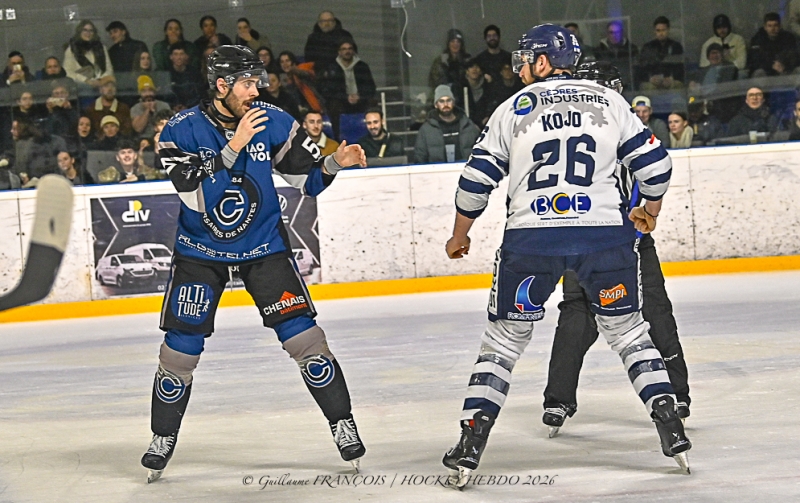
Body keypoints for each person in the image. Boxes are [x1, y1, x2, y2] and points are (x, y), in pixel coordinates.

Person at [441, 24, 691, 489]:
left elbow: (476, 181)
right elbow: (656, 167)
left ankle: (471, 441)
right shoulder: (609, 100)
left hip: (531, 240)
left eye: (525, 57)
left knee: (502, 344)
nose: (518, 66)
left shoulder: (513, 108)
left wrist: (460, 234)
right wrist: (647, 210)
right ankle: (668, 418)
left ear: (543, 61)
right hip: (604, 237)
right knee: (630, 334)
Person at [140, 45, 367, 482]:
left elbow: (307, 179)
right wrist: (234, 145)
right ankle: (162, 436)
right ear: (221, 85)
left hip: (264, 248)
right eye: (246, 83)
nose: (255, 90)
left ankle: (343, 424)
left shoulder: (275, 118)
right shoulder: (180, 130)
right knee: (179, 351)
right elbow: (194, 196)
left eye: (256, 82)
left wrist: (335, 162)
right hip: (200, 253)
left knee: (307, 341)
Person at [541, 60, 692, 440]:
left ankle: (558, 399)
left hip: (593, 242)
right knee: (637, 311)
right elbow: (657, 170)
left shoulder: (570, 129)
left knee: (587, 313)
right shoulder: (625, 125)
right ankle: (672, 392)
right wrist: (648, 213)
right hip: (618, 241)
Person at [320, 40, 376, 136]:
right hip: (341, 101)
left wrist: (359, 96)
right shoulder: (332, 68)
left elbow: (371, 87)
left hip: (360, 100)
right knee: (333, 106)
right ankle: (337, 137)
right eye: (344, 49)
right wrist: (346, 97)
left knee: (373, 104)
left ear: (353, 51)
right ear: (339, 52)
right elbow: (328, 91)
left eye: (350, 49)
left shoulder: (362, 66)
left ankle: (373, 136)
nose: (347, 51)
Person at [414, 85, 479, 164]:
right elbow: (420, 158)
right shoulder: (426, 130)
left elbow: (480, 154)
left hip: (466, 172)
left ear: (453, 102)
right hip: (436, 174)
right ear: (436, 105)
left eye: (449, 100)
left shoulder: (468, 126)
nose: (445, 104)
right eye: (441, 101)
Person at [63, 20, 114, 89]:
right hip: (81, 87)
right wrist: (86, 80)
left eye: (91, 30)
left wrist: (100, 80)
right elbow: (68, 72)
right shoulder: (71, 50)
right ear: (79, 32)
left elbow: (109, 69)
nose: (88, 33)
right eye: (85, 30)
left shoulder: (101, 48)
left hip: (102, 86)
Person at [638, 16, 684, 90]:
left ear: (668, 30)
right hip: (652, 82)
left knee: (677, 85)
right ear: (654, 31)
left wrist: (672, 78)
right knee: (649, 88)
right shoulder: (647, 47)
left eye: (663, 30)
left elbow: (680, 68)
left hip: (671, 82)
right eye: (658, 30)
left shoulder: (676, 46)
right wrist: (650, 78)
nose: (661, 33)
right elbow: (641, 69)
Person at [747, 12, 800, 77]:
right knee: (759, 73)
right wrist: (771, 65)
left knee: (798, 70)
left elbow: (794, 56)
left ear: (780, 26)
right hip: (766, 71)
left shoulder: (788, 38)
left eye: (775, 25)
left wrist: (783, 63)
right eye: (769, 26)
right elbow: (753, 60)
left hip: (786, 69)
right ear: (765, 27)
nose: (773, 29)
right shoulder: (757, 39)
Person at [167, 42, 205, 110]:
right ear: (171, 57)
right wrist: (173, 106)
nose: (179, 57)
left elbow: (201, 94)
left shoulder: (194, 73)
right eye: (176, 54)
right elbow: (163, 96)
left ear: (186, 56)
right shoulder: (166, 74)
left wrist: (188, 107)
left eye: (181, 54)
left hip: (192, 109)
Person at [457, 58, 493, 126]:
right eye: (471, 67)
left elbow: (491, 103)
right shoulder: (459, 87)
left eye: (477, 67)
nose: (474, 69)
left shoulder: (487, 86)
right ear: (467, 71)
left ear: (481, 71)